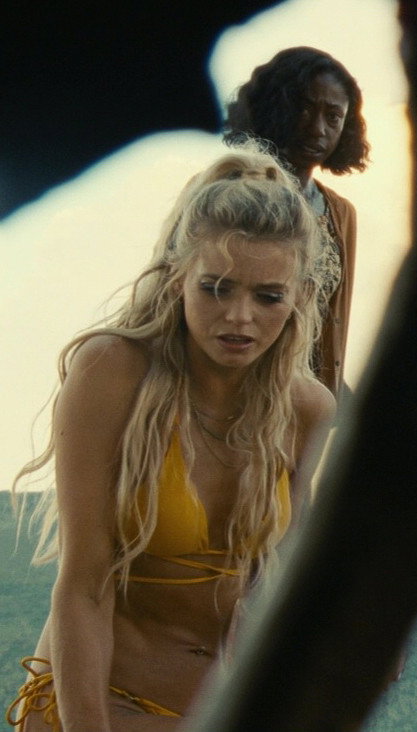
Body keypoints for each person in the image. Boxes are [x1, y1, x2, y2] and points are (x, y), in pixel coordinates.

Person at [5, 147, 335, 730]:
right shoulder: (113, 371)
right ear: (178, 278)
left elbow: (275, 590)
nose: (239, 316)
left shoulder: (307, 410)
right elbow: (83, 588)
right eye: (216, 288)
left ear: (301, 297)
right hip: (99, 705)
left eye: (267, 296)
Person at [223, 46, 371, 401]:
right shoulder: (222, 192)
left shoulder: (340, 213)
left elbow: (332, 324)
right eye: (304, 108)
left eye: (333, 116)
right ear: (274, 106)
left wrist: (331, 400)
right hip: (229, 392)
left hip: (301, 401)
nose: (318, 128)